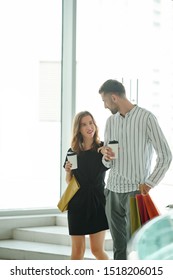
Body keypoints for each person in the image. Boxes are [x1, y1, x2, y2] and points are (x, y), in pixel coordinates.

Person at [98, 79, 172, 260]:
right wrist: (106, 157)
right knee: (118, 247)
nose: (105, 106)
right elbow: (108, 161)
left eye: (105, 101)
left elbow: (165, 154)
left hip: (135, 193)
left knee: (136, 246)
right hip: (112, 192)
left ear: (114, 97)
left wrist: (150, 183)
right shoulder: (110, 122)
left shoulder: (146, 118)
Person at [64, 111, 109, 260]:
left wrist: (105, 153)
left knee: (97, 250)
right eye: (84, 124)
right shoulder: (72, 152)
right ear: (78, 129)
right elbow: (69, 182)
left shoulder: (102, 148)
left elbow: (114, 164)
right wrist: (68, 171)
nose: (89, 127)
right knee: (77, 252)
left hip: (97, 202)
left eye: (91, 122)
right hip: (77, 203)